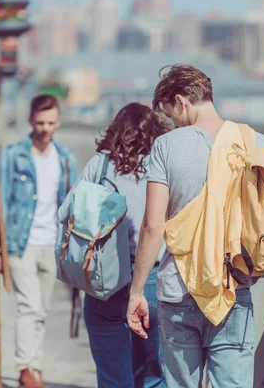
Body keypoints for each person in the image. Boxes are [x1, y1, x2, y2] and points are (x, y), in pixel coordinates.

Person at [126, 64, 264, 387]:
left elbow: (153, 226)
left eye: (170, 115)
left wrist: (137, 291)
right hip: (233, 287)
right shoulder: (257, 142)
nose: (172, 124)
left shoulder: (166, 146)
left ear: (181, 101)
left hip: (177, 290)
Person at [57, 103, 169, 387]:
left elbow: (64, 214)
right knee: (154, 375)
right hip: (154, 281)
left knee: (112, 376)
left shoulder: (101, 165)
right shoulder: (163, 166)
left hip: (104, 280)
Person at [0, 94, 78, 388]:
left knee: (41, 309)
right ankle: (25, 370)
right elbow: (2, 203)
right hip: (21, 242)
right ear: (31, 120)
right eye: (40, 122)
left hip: (53, 244)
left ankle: (35, 367)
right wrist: (0, 247)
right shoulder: (13, 155)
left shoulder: (66, 159)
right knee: (28, 306)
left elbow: (72, 206)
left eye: (51, 123)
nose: (45, 128)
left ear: (58, 122)